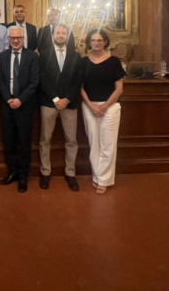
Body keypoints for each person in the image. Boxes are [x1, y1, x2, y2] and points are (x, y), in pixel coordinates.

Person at [80, 29, 125, 195]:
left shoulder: (114, 62)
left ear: (105, 42)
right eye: (93, 40)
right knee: (94, 143)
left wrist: (105, 106)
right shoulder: (83, 62)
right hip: (89, 106)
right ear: (89, 42)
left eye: (100, 40)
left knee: (108, 144)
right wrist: (91, 105)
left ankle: (104, 180)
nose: (96, 43)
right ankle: (97, 175)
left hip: (110, 107)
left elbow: (119, 89)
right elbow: (80, 87)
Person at [38, 24, 82, 191]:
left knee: (71, 140)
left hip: (69, 104)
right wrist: (56, 99)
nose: (61, 35)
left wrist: (67, 99)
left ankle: (70, 173)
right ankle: (45, 172)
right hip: (49, 103)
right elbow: (42, 78)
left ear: (67, 36)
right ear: (53, 35)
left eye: (64, 33)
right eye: (58, 32)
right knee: (45, 140)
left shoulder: (75, 56)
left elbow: (78, 80)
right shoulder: (44, 54)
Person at [0, 26, 39, 193]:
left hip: (24, 106)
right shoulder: (3, 56)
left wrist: (20, 100)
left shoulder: (32, 56)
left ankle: (23, 176)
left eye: (18, 38)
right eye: (12, 38)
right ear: (8, 39)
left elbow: (34, 82)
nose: (15, 41)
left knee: (23, 142)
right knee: (9, 141)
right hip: (7, 106)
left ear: (23, 39)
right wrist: (9, 99)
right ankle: (12, 172)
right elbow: (0, 81)